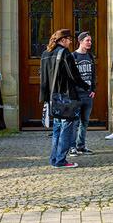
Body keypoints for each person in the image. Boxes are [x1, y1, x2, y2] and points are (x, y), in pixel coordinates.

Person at [40, 28, 87, 168]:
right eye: (69, 39)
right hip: (65, 96)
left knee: (57, 128)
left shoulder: (45, 54)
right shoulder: (64, 53)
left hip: (52, 96)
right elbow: (74, 75)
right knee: (66, 128)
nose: (70, 41)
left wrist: (44, 97)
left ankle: (54, 159)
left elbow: (43, 79)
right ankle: (60, 160)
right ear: (62, 40)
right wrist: (86, 86)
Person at [70, 31, 96, 156]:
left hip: (88, 95)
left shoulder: (90, 57)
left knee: (84, 122)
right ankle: (72, 147)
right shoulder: (73, 56)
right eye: (87, 40)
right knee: (74, 122)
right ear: (80, 41)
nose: (90, 43)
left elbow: (93, 75)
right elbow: (70, 77)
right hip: (76, 96)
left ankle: (81, 146)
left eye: (90, 40)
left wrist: (93, 90)